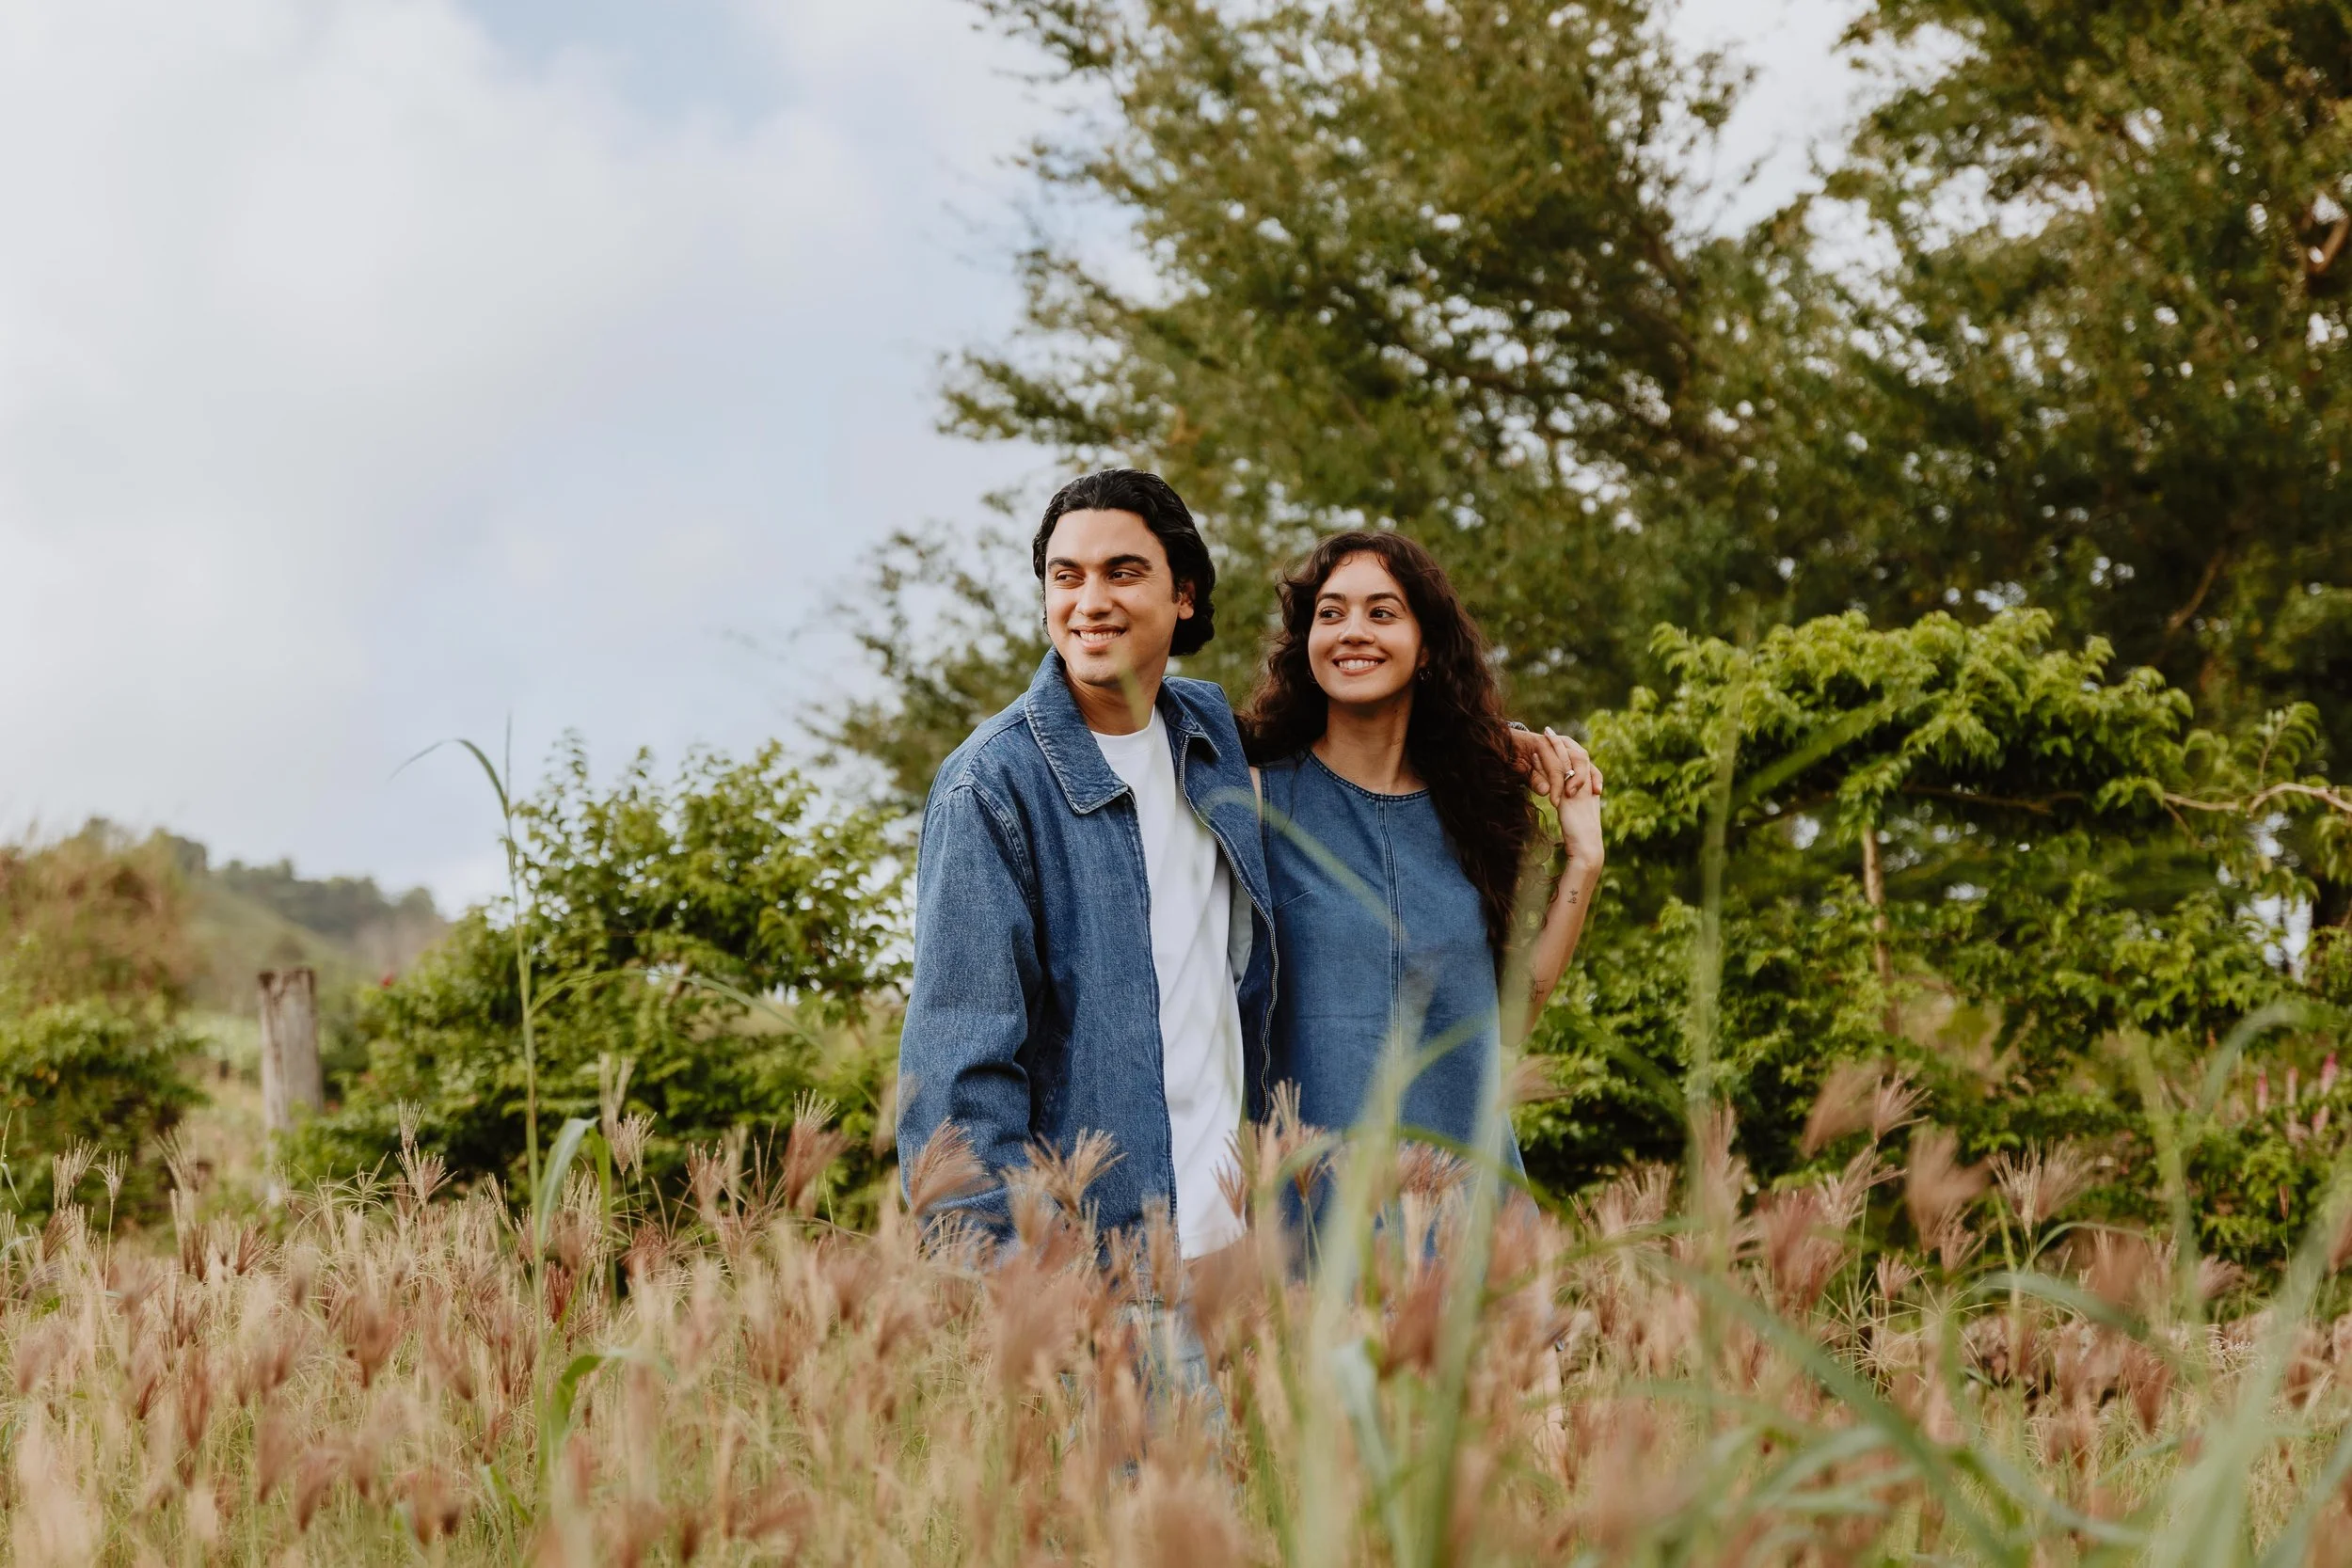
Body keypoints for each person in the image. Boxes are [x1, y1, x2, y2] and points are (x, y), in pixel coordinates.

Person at [1241, 530, 1604, 1193]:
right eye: (1331, 613)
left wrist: (1583, 860)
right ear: (1306, 643)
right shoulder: (1258, 800)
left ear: (1428, 646)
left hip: (1471, 1213)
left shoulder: (1474, 811)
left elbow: (1510, 1020)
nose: (1353, 631)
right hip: (1315, 1215)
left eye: (1382, 612)